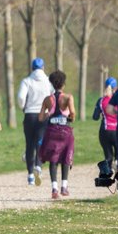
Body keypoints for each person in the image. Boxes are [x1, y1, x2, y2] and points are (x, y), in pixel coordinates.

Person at [38, 71, 76, 199]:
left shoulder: (47, 99)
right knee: (66, 158)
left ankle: (54, 189)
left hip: (52, 131)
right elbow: (73, 114)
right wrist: (70, 118)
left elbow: (40, 118)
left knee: (53, 159)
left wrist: (49, 114)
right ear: (63, 84)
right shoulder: (68, 97)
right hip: (65, 131)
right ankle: (64, 187)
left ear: (52, 84)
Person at [17, 58, 53, 186]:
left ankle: (30, 175)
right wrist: (49, 110)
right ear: (43, 67)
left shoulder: (26, 81)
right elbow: (53, 96)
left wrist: (23, 108)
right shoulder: (49, 81)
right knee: (40, 142)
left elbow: (21, 97)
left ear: (32, 68)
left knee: (29, 144)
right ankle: (38, 166)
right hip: (44, 115)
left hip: (30, 115)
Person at [93, 77, 118, 166]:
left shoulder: (101, 101)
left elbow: (95, 117)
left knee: (108, 157)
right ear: (115, 88)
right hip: (117, 132)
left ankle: (108, 173)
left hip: (104, 132)